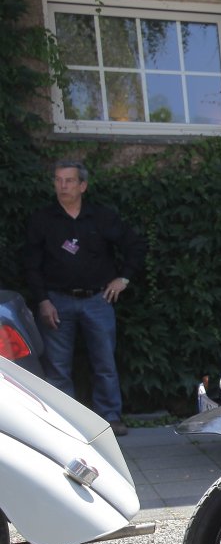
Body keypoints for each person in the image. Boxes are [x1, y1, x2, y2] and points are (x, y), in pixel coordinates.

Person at [22, 160, 147, 435]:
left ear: (83, 185)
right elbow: (31, 264)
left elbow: (135, 244)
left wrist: (124, 278)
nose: (62, 186)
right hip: (56, 300)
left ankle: (109, 418)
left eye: (69, 180)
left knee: (104, 363)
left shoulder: (101, 217)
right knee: (57, 367)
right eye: (58, 180)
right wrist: (42, 300)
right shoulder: (42, 220)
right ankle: (62, 423)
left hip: (97, 300)